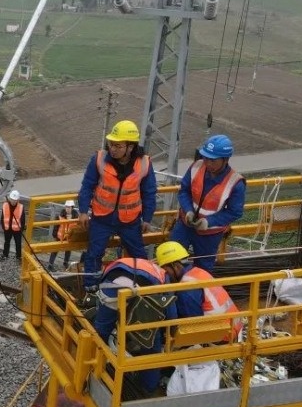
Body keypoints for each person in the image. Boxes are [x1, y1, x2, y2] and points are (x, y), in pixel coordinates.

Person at [77, 120, 157, 290]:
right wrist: (83, 211)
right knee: (94, 255)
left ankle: (145, 287)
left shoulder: (144, 163)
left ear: (130, 147)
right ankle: (91, 289)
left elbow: (149, 192)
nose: (112, 149)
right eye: (111, 144)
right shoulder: (99, 159)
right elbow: (87, 185)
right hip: (101, 218)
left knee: (139, 256)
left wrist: (147, 219)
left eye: (118, 146)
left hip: (130, 221)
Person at [92, 253, 178, 395]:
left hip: (111, 285)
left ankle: (92, 368)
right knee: (151, 346)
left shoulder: (145, 264)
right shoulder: (163, 277)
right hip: (132, 289)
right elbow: (170, 312)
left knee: (100, 333)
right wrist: (170, 332)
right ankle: (148, 388)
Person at [169, 134, 246, 273]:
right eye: (205, 158)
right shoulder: (196, 167)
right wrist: (188, 211)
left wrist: (208, 222)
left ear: (225, 159)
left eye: (213, 160)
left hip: (209, 234)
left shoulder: (235, 183)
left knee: (203, 270)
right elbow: (184, 191)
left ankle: (199, 293)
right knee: (171, 260)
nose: (208, 163)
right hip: (185, 226)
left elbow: (235, 212)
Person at [155, 241, 243, 341]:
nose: (165, 275)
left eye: (165, 270)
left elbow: (192, 327)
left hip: (223, 337)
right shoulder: (198, 272)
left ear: (175, 266)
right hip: (233, 327)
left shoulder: (186, 290)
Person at [48, 199, 79, 270]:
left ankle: (65, 262)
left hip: (69, 236)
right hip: (60, 236)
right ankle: (50, 264)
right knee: (55, 249)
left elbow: (76, 227)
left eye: (69, 207)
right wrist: (55, 235)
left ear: (72, 208)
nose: (67, 209)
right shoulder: (60, 216)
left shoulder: (76, 217)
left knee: (68, 250)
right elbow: (56, 226)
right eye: (66, 207)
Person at [0, 189, 26, 261]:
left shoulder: (21, 207)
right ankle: (5, 255)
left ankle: (18, 256)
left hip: (17, 229)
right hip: (7, 228)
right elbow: (2, 217)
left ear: (17, 200)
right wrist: (3, 226)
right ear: (10, 198)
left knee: (18, 243)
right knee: (7, 242)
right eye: (12, 199)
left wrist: (22, 229)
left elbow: (23, 219)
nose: (13, 201)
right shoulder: (5, 205)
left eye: (15, 200)